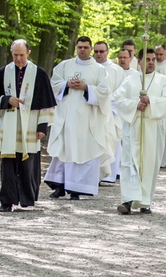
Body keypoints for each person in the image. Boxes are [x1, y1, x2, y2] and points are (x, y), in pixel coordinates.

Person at [0, 39, 56, 212]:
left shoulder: (38, 74)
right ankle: (7, 201)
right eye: (15, 55)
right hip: (10, 123)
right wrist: (7, 100)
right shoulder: (4, 72)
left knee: (28, 163)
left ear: (29, 53)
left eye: (21, 55)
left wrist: (42, 127)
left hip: (31, 124)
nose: (18, 59)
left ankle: (26, 199)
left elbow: (47, 103)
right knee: (8, 163)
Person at [44, 36, 116, 200]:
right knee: (64, 150)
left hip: (88, 120)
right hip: (67, 118)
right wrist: (66, 85)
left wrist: (86, 88)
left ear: (90, 49)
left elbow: (105, 92)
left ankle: (76, 189)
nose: (82, 50)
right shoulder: (64, 66)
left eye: (85, 47)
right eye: (80, 47)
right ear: (76, 48)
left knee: (84, 151)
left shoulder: (99, 70)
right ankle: (60, 185)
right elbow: (54, 84)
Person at [113, 48, 166, 214]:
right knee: (129, 164)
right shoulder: (131, 80)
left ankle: (145, 201)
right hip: (133, 127)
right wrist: (135, 104)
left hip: (152, 128)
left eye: (153, 59)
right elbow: (117, 99)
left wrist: (151, 102)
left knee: (149, 164)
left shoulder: (163, 81)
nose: (151, 62)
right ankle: (127, 201)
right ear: (139, 61)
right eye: (147, 59)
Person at [95, 41, 125, 185]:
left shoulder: (116, 70)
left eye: (102, 51)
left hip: (111, 112)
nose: (99, 54)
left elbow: (122, 90)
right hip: (93, 111)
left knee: (112, 140)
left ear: (107, 52)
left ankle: (110, 174)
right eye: (96, 51)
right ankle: (95, 174)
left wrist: (109, 102)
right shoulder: (91, 68)